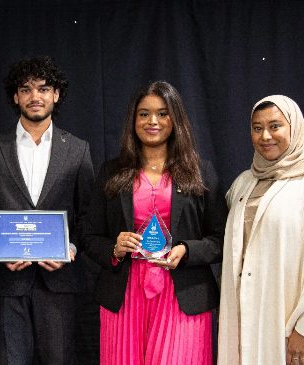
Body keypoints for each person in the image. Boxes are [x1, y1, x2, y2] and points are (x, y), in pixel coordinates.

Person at [82, 81, 227, 364]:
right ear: (133, 120)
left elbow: (220, 238)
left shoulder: (200, 172)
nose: (153, 121)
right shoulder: (112, 172)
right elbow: (89, 236)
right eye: (144, 113)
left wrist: (187, 250)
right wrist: (114, 248)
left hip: (183, 294)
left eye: (163, 113)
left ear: (176, 119)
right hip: (124, 295)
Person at [0, 56, 95, 364]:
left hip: (60, 283)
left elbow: (88, 215)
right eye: (26, 89)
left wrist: (71, 247)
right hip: (8, 285)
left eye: (44, 88)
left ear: (56, 95)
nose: (35, 96)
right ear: (16, 97)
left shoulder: (78, 150)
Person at [217, 95, 304, 365]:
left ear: (295, 128)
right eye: (257, 128)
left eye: (275, 126)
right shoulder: (243, 184)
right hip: (249, 321)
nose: (265, 136)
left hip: (296, 332)